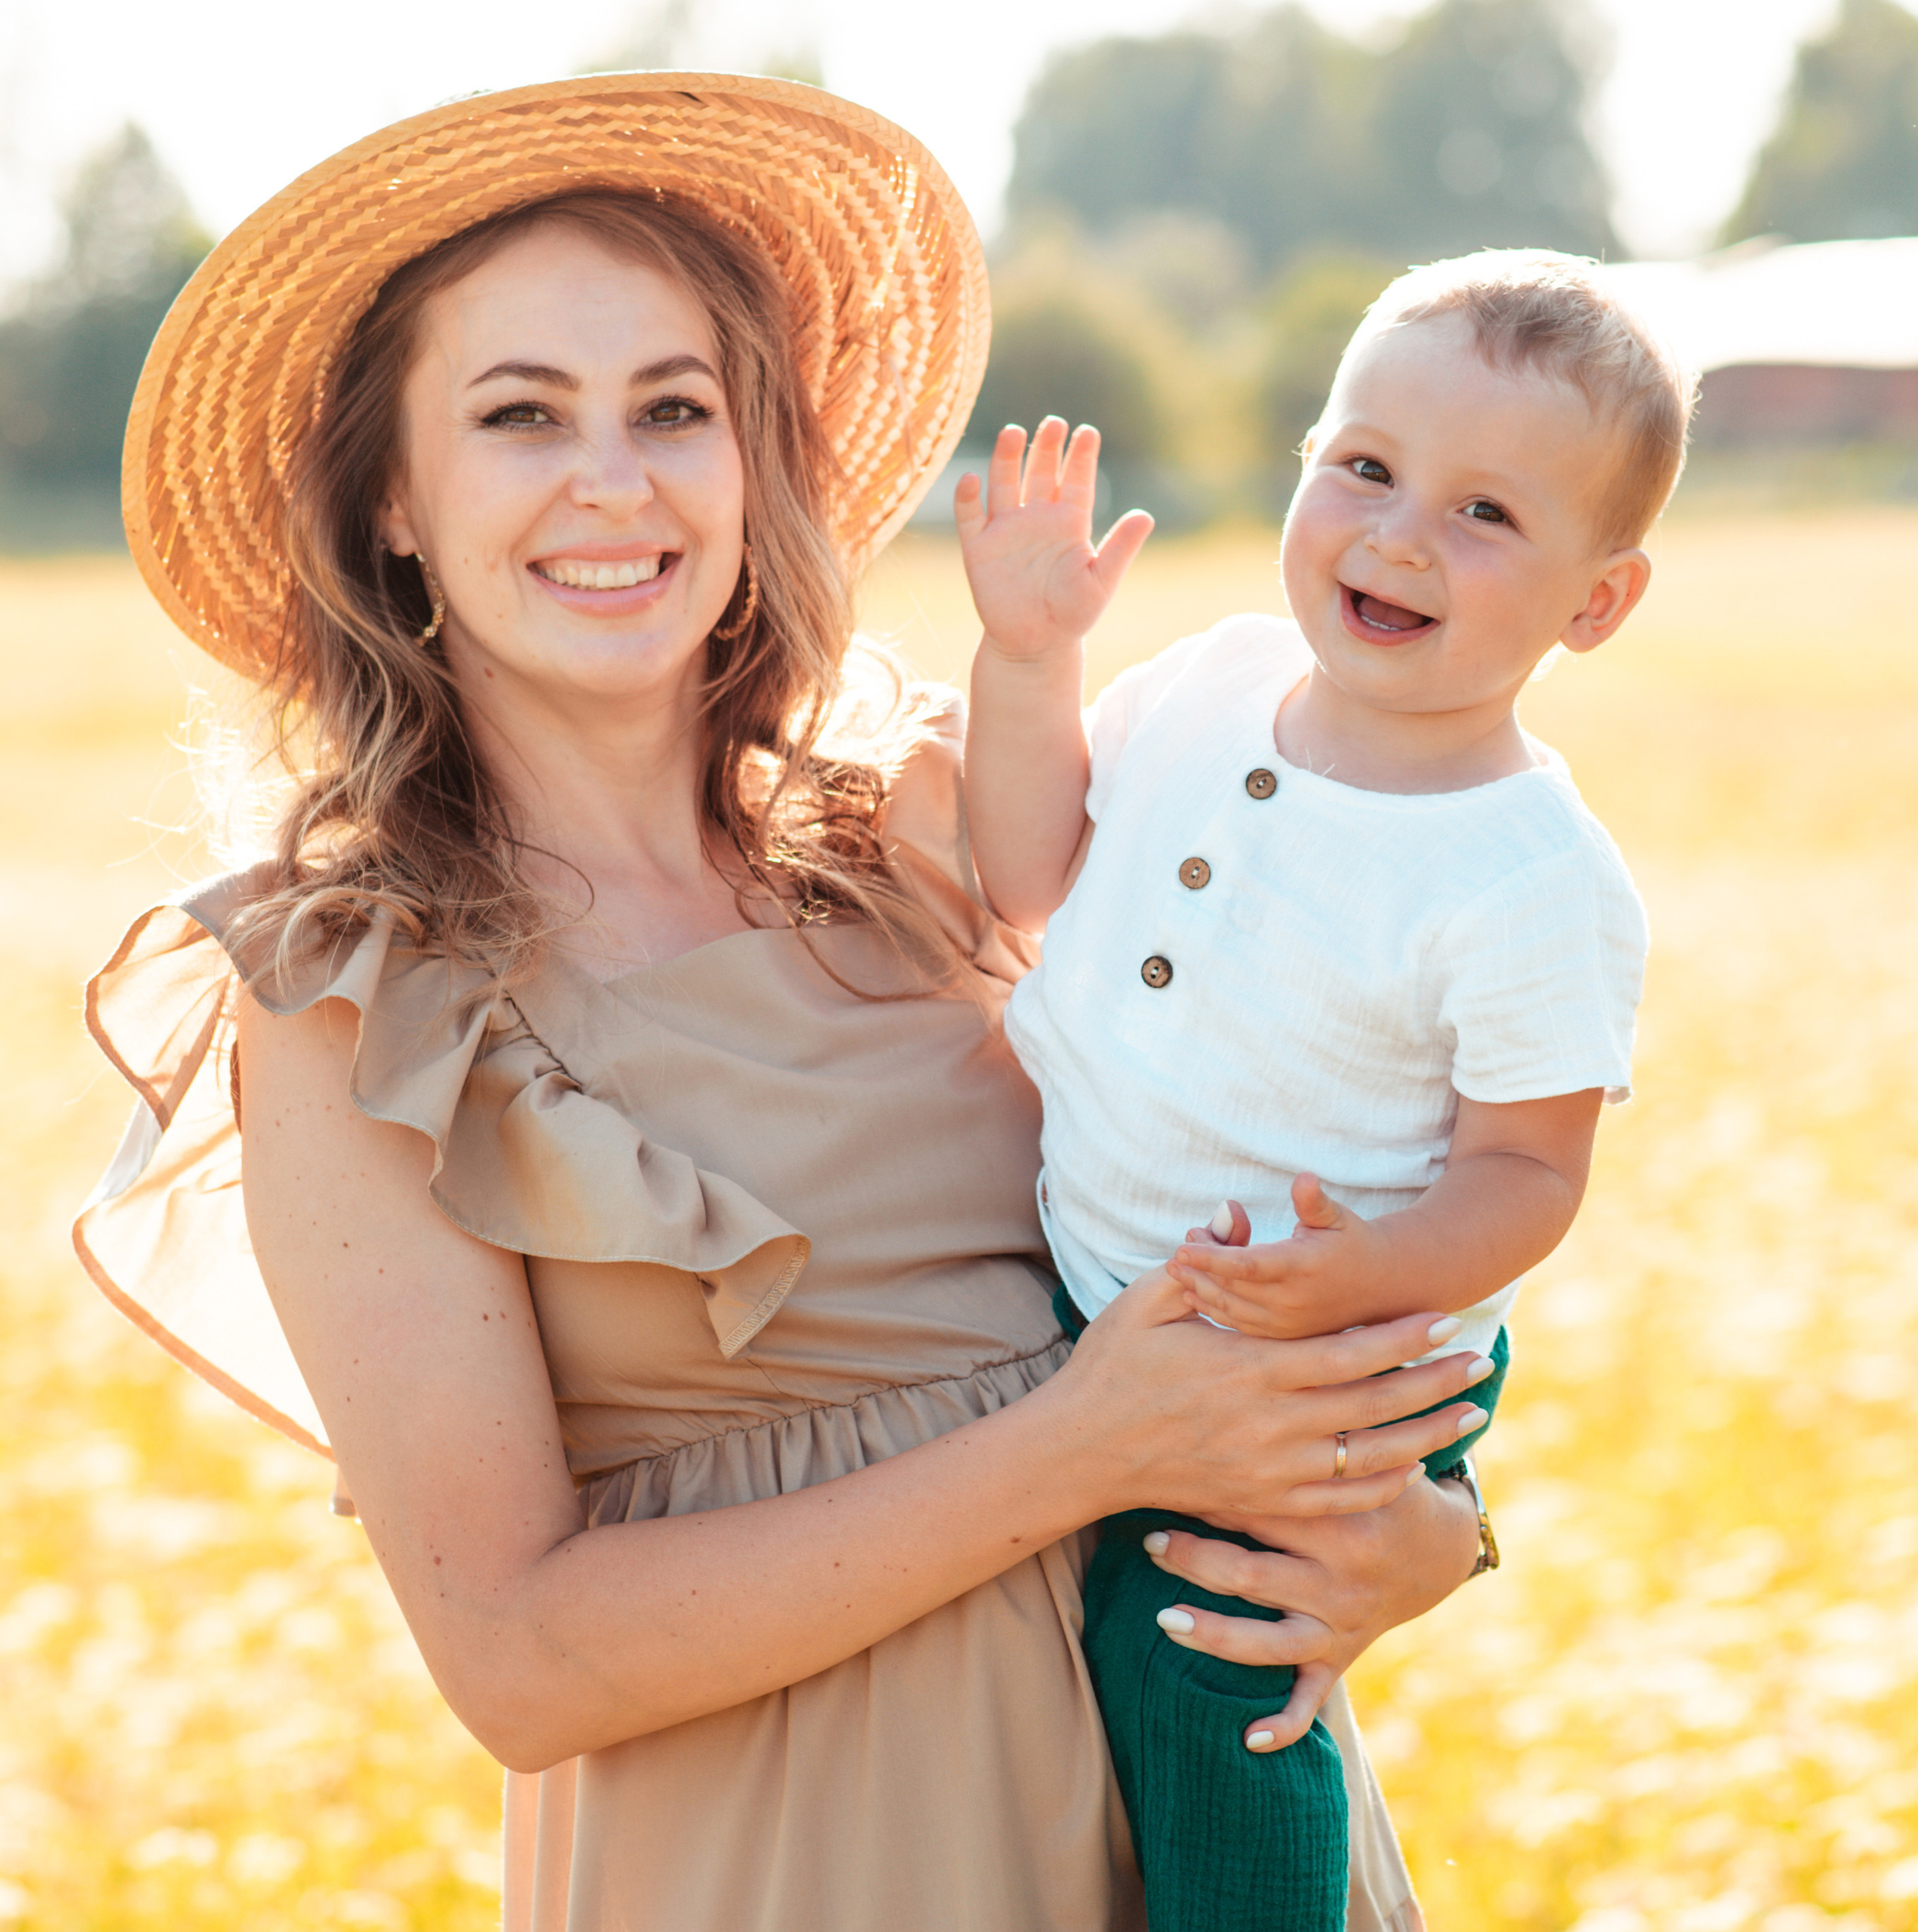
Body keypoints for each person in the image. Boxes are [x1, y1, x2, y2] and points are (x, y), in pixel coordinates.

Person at [74, 75, 1493, 1932]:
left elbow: (1293, 1182)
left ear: (748, 467)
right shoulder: (358, 1002)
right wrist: (1087, 1442)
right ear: (397, 506)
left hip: (1194, 1833)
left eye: (675, 408)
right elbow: (514, 1655)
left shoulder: (927, 835)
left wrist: (1424, 1532)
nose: (616, 479)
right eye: (521, 417)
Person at [957, 251, 1689, 1932]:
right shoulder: (1209, 683)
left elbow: (1525, 1178)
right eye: (1361, 466)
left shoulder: (1524, 874)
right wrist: (1025, 661)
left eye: (1485, 513)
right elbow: (1023, 870)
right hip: (1109, 1286)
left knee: (1211, 1655)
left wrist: (1349, 1278)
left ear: (1594, 600)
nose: (1398, 533)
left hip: (1322, 1350)